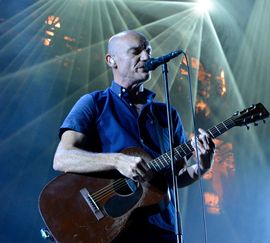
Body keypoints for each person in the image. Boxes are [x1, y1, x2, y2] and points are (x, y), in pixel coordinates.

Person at [52, 30, 215, 242]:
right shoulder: (93, 104)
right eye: (136, 52)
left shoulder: (167, 115)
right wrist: (117, 160)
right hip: (112, 230)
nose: (146, 57)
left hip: (162, 229)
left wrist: (203, 166)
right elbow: (62, 158)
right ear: (112, 61)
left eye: (147, 51)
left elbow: (174, 178)